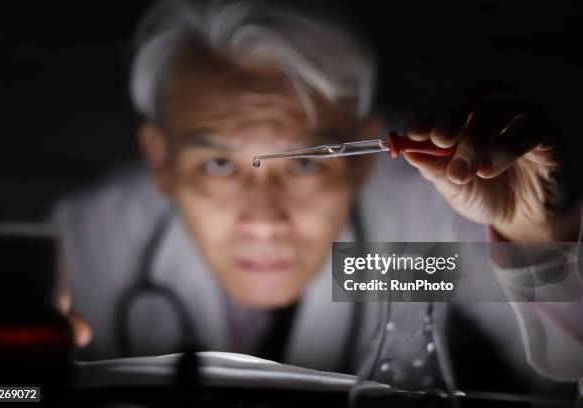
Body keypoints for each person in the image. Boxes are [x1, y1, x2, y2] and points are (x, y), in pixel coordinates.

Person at [52, 0, 582, 392]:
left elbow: (571, 370)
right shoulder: (85, 241)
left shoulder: (434, 212)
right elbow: (0, 392)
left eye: (305, 162)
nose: (264, 220)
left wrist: (537, 237)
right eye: (218, 164)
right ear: (161, 160)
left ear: (360, 160)